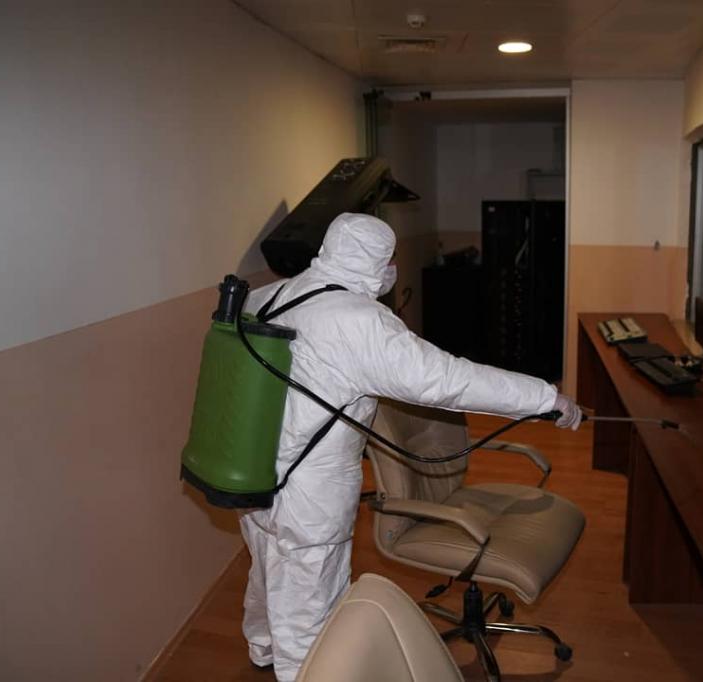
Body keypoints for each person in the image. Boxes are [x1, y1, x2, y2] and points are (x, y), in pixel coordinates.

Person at [239, 212, 582, 681]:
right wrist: (545, 398)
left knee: (266, 569)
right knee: (309, 612)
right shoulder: (358, 321)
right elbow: (449, 380)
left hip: (251, 469)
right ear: (374, 259)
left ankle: (261, 648)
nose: (392, 269)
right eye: (389, 258)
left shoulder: (267, 296)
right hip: (310, 492)